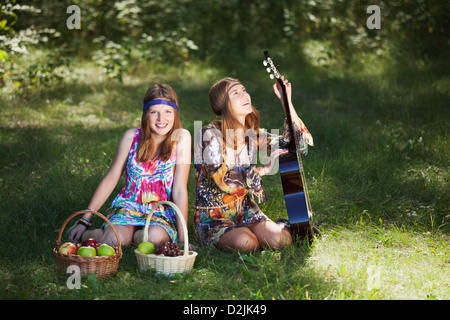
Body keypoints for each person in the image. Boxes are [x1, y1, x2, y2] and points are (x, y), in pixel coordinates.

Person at [193, 76, 313, 252]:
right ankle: (247, 234)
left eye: (244, 90)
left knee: (282, 241)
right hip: (213, 217)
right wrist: (262, 170)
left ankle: (278, 227)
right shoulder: (208, 135)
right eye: (235, 93)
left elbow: (298, 146)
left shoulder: (252, 135)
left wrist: (286, 102)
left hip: (245, 211)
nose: (244, 95)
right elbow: (224, 181)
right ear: (222, 103)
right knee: (246, 244)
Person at [68, 84, 191, 247]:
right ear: (146, 114)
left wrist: (183, 240)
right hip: (129, 206)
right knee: (114, 241)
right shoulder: (131, 137)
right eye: (154, 112)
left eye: (167, 112)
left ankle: (137, 236)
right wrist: (85, 219)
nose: (162, 119)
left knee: (153, 239)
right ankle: (94, 234)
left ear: (175, 113)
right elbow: (111, 179)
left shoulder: (181, 138)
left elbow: (180, 190)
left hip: (160, 211)